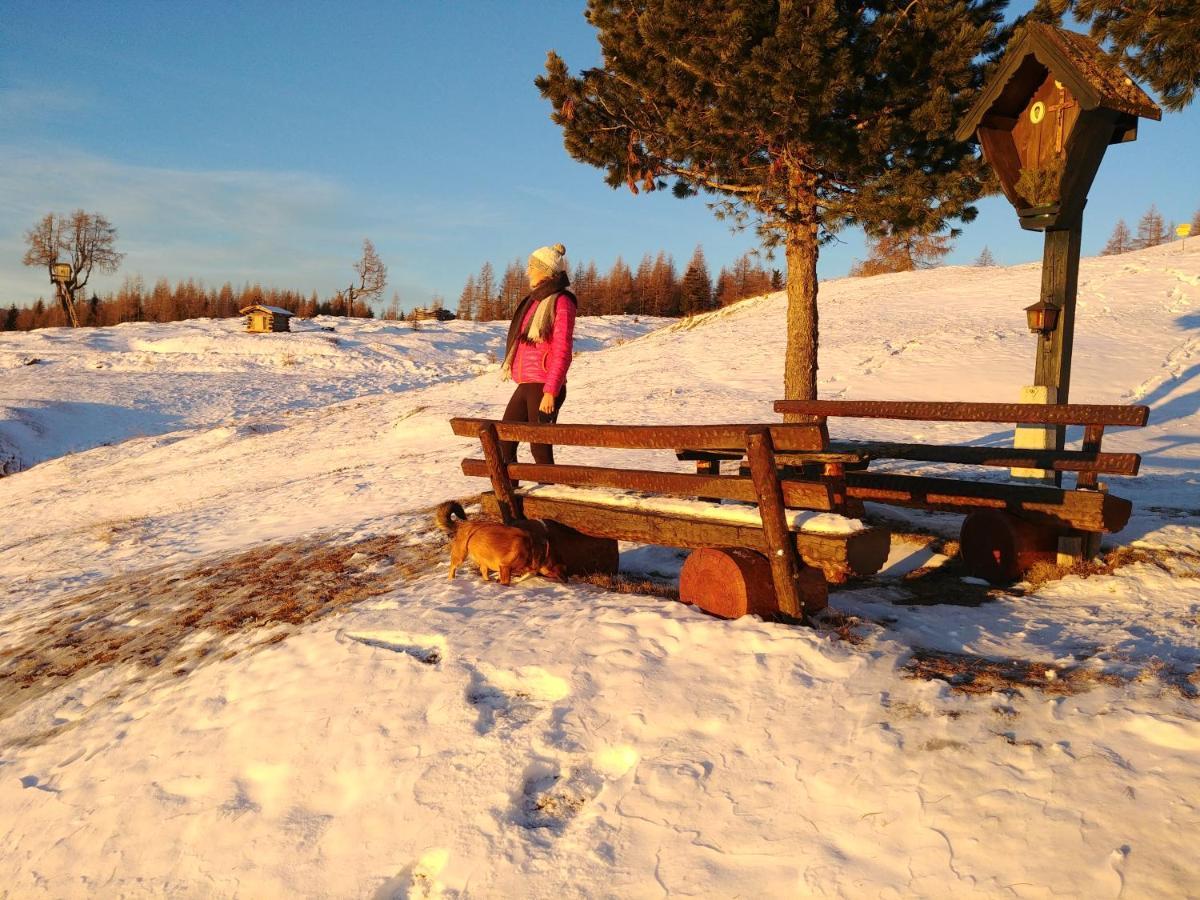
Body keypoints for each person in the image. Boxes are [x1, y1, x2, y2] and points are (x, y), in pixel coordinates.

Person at [499, 243, 577, 465]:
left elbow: (563, 350)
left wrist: (551, 392)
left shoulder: (562, 301)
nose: (527, 271)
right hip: (525, 384)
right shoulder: (534, 302)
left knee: (540, 449)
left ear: (545, 270)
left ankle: (549, 495)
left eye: (531, 266)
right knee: (504, 443)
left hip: (544, 388)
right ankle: (509, 497)